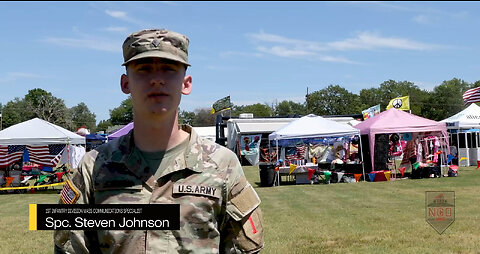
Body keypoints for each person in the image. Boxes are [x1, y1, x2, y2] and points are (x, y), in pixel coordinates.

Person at [54, 28, 264, 253]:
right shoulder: (94, 167)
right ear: (125, 83)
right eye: (144, 70)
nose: (156, 80)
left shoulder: (223, 165)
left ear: (186, 83)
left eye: (169, 69)